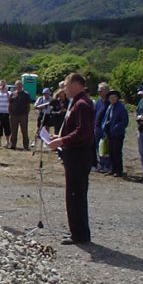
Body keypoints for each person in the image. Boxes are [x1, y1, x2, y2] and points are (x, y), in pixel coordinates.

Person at [47, 73, 95, 245]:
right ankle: (76, 231)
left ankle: (80, 234)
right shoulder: (76, 103)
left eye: (66, 85)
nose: (64, 89)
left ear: (75, 85)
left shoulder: (82, 104)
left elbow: (83, 132)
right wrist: (58, 136)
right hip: (73, 154)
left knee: (76, 194)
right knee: (73, 194)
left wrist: (61, 140)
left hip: (78, 155)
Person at [102, 89, 129, 177]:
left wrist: (116, 127)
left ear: (117, 98)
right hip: (110, 133)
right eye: (111, 97)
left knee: (117, 152)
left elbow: (124, 121)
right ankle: (112, 169)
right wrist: (105, 126)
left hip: (118, 133)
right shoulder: (110, 107)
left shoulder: (121, 107)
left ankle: (119, 170)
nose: (112, 99)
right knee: (111, 151)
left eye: (114, 97)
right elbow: (107, 118)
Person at [9, 80, 31, 150]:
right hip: (13, 115)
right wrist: (10, 113)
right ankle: (13, 144)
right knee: (13, 131)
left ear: (22, 86)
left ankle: (26, 145)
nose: (19, 86)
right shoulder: (12, 94)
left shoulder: (26, 94)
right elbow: (10, 104)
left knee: (24, 131)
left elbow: (28, 105)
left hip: (23, 115)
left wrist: (26, 113)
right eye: (17, 85)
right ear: (15, 86)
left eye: (20, 85)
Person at [93, 83, 111, 172]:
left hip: (105, 129)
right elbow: (95, 112)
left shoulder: (109, 102)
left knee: (105, 148)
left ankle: (107, 166)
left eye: (101, 90)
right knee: (98, 148)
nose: (99, 92)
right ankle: (101, 164)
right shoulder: (98, 101)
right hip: (97, 127)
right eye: (99, 90)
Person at [0, 79, 11, 148]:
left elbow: (10, 100)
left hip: (6, 112)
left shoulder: (9, 93)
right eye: (1, 85)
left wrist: (6, 92)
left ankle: (8, 142)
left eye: (3, 85)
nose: (2, 86)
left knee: (7, 128)